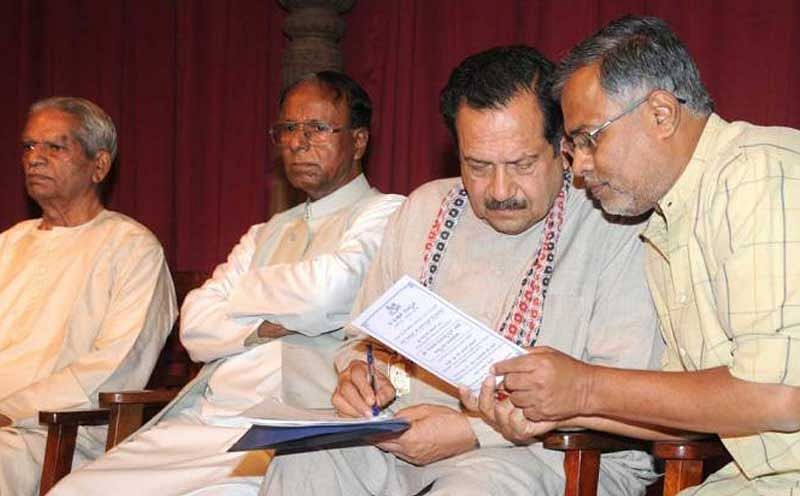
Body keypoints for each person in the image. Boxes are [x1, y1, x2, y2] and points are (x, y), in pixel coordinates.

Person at [259, 45, 663, 496]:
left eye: (522, 164)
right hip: (404, 439)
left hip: (557, 455)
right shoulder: (424, 208)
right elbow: (362, 341)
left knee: (478, 486)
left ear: (563, 147)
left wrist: (472, 430)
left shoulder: (614, 222)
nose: (500, 190)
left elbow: (621, 397)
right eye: (478, 166)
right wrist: (359, 374)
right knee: (304, 463)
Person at [486, 15, 800, 495]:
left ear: (661, 114)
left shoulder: (759, 173)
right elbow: (688, 410)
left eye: (590, 138)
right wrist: (560, 408)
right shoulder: (668, 223)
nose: (581, 169)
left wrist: (585, 387)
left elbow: (779, 395)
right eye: (573, 147)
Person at [50, 71, 405, 496]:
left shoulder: (387, 214)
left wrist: (237, 299)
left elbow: (327, 293)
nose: (297, 142)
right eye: (288, 129)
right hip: (206, 418)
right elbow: (196, 328)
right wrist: (266, 325)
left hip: (292, 429)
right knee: (74, 490)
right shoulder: (265, 232)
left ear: (359, 141)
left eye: (317, 128)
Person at [0, 96, 177, 496]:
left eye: (55, 147)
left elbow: (116, 366)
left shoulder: (132, 248)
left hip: (56, 434)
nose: (35, 159)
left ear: (99, 165)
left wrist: (8, 411)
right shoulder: (9, 244)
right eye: (29, 146)